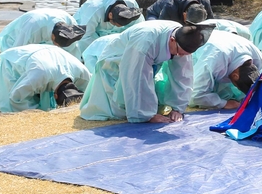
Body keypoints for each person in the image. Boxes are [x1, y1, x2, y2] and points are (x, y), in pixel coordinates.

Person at [80, 20, 213, 123]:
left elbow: (183, 74)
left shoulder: (183, 38)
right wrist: (146, 115)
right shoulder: (146, 41)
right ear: (172, 40)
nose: (182, 56)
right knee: (118, 107)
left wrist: (177, 108)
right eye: (180, 52)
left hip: (147, 58)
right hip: (118, 59)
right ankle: (139, 111)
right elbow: (136, 78)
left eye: (186, 54)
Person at [0, 45, 90, 113]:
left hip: (48, 54)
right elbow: (16, 98)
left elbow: (90, 95)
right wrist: (38, 114)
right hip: (16, 58)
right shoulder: (37, 77)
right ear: (55, 96)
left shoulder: (83, 75)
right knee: (9, 107)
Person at [190, 30, 262, 109]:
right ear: (235, 76)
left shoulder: (257, 56)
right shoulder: (213, 61)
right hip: (196, 45)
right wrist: (223, 104)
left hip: (220, 43)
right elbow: (196, 95)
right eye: (237, 86)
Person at [73, 0, 143, 58]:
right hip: (92, 33)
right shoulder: (93, 9)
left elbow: (139, 32)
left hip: (119, 35)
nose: (120, 26)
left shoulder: (132, 6)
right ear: (110, 15)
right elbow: (85, 37)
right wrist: (98, 55)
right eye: (117, 24)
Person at [0, 8, 85, 59]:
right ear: (53, 36)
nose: (58, 47)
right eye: (56, 44)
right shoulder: (32, 28)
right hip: (16, 38)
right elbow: (17, 53)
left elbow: (73, 51)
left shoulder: (70, 23)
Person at [145, 0, 214, 24]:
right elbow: (162, 29)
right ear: (184, 14)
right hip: (155, 15)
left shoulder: (205, 2)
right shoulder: (171, 7)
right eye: (189, 23)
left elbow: (211, 24)